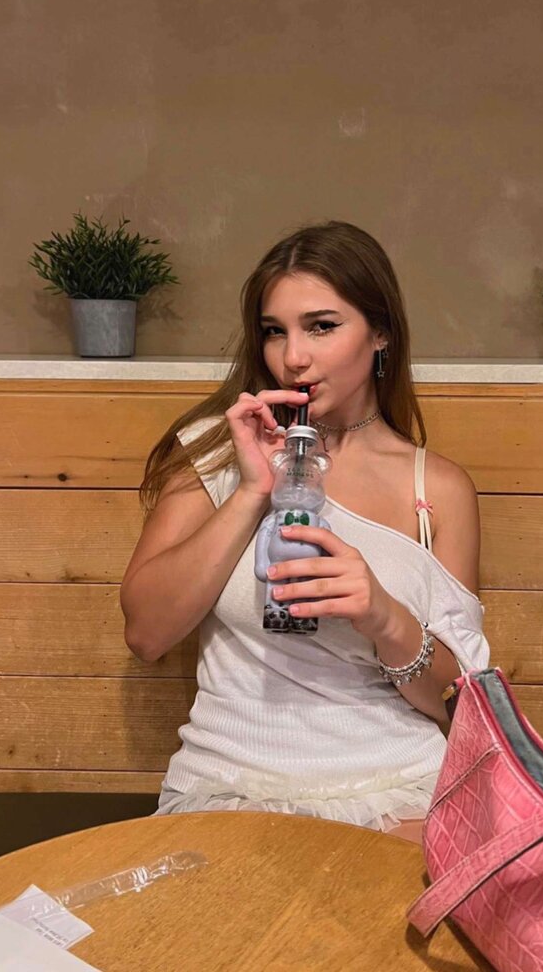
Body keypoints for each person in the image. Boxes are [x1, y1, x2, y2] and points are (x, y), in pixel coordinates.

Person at [121, 220, 489, 839]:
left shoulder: (437, 489)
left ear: (380, 333)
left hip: (400, 788)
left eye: (321, 326)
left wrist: (383, 616)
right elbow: (146, 633)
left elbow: (457, 706)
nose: (292, 357)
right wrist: (251, 491)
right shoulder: (216, 451)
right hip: (229, 784)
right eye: (274, 331)